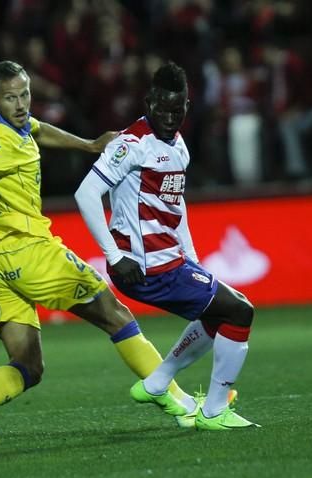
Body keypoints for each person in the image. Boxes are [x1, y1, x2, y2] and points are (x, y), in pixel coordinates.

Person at [0, 60, 196, 446]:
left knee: (29, 365)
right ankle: (180, 403)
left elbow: (38, 129)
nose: (20, 104)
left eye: (24, 94)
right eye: (11, 98)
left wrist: (88, 145)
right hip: (30, 254)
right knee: (115, 315)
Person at [74, 61, 258, 430]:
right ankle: (214, 412)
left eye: (177, 109)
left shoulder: (179, 148)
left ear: (187, 107)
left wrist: (191, 257)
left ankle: (157, 384)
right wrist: (113, 255)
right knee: (239, 312)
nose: (169, 117)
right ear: (148, 102)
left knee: (215, 314)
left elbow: (176, 206)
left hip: (170, 261)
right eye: (161, 108)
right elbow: (86, 193)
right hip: (144, 267)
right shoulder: (131, 144)